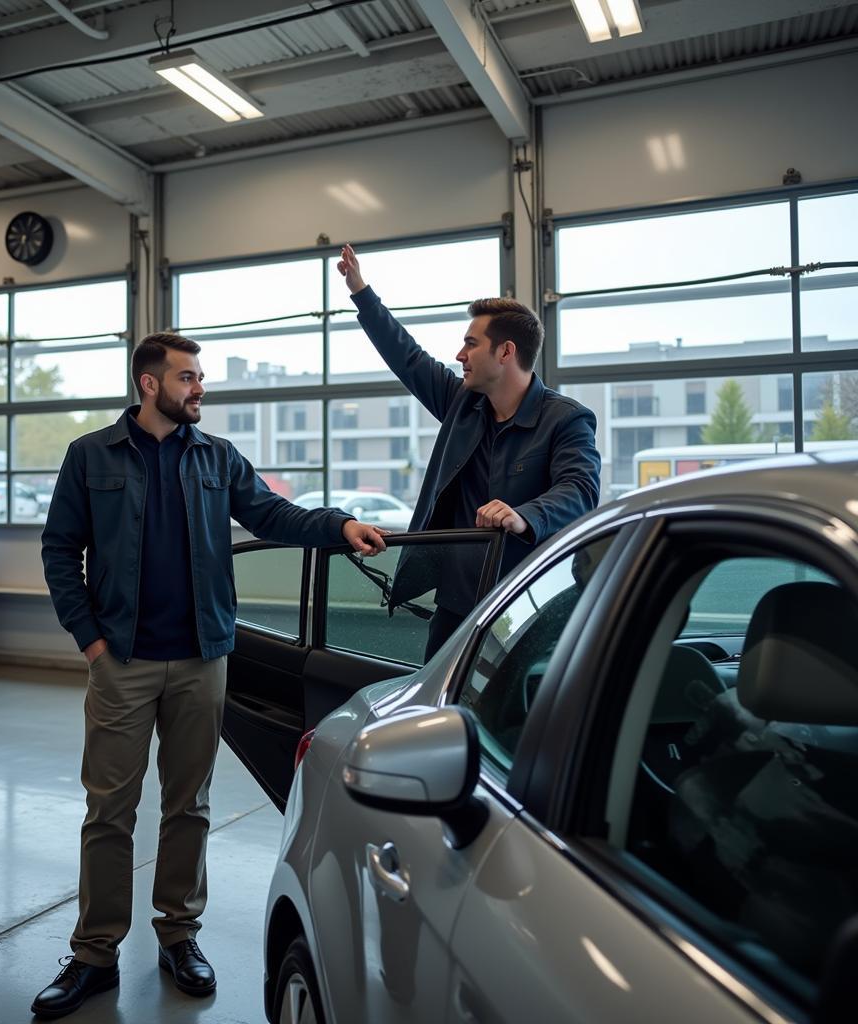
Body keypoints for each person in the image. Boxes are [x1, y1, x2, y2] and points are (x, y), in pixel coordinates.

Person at [34, 331, 386, 1019]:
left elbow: (271, 514)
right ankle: (95, 952)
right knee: (108, 809)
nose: (200, 389)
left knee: (188, 805)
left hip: (202, 657)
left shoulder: (216, 458)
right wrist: (92, 644)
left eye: (199, 378)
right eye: (188, 377)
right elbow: (58, 550)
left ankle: (180, 936)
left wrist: (338, 526)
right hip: (124, 661)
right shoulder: (90, 457)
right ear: (149, 384)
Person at [337, 243, 601, 658]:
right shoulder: (461, 402)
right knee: (437, 708)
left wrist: (523, 515)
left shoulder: (566, 419)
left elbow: (581, 491)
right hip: (457, 603)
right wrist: (360, 291)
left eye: (471, 344)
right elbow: (407, 358)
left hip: (525, 603)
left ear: (506, 351)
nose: (460, 355)